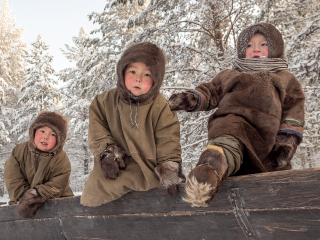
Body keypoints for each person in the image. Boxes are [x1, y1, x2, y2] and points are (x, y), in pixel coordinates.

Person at [169, 23, 305, 207]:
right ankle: (209, 171)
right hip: (230, 126)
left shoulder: (285, 79)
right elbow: (210, 91)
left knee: (269, 174)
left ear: (275, 48)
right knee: (226, 142)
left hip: (265, 140)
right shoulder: (231, 74)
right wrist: (190, 99)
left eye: (263, 44)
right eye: (249, 45)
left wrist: (286, 144)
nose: (255, 49)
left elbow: (293, 111)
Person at [80, 42, 184, 207]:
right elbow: (97, 130)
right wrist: (106, 153)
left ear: (157, 79)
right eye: (133, 71)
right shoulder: (103, 102)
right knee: (96, 196)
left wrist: (169, 168)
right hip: (116, 168)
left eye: (147, 75)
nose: (138, 78)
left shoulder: (161, 106)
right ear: (122, 72)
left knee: (155, 201)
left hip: (149, 169)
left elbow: (168, 139)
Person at [4, 111, 74, 217]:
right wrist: (23, 197)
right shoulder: (19, 151)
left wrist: (36, 194)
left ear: (59, 140)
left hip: (56, 203)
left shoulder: (61, 158)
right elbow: (12, 177)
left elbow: (58, 184)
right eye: (42, 131)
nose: (46, 137)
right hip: (22, 202)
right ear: (34, 131)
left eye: (52, 134)